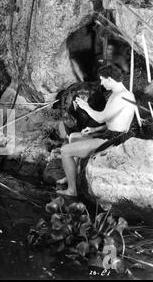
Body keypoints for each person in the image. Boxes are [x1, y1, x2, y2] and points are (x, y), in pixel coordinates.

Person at [56, 65, 136, 197]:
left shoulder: (122, 97)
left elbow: (101, 117)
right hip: (111, 134)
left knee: (65, 151)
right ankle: (72, 175)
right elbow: (113, 122)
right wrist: (94, 129)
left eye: (103, 80)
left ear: (110, 79)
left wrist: (85, 106)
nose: (102, 83)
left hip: (113, 140)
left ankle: (72, 190)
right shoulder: (120, 94)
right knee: (74, 136)